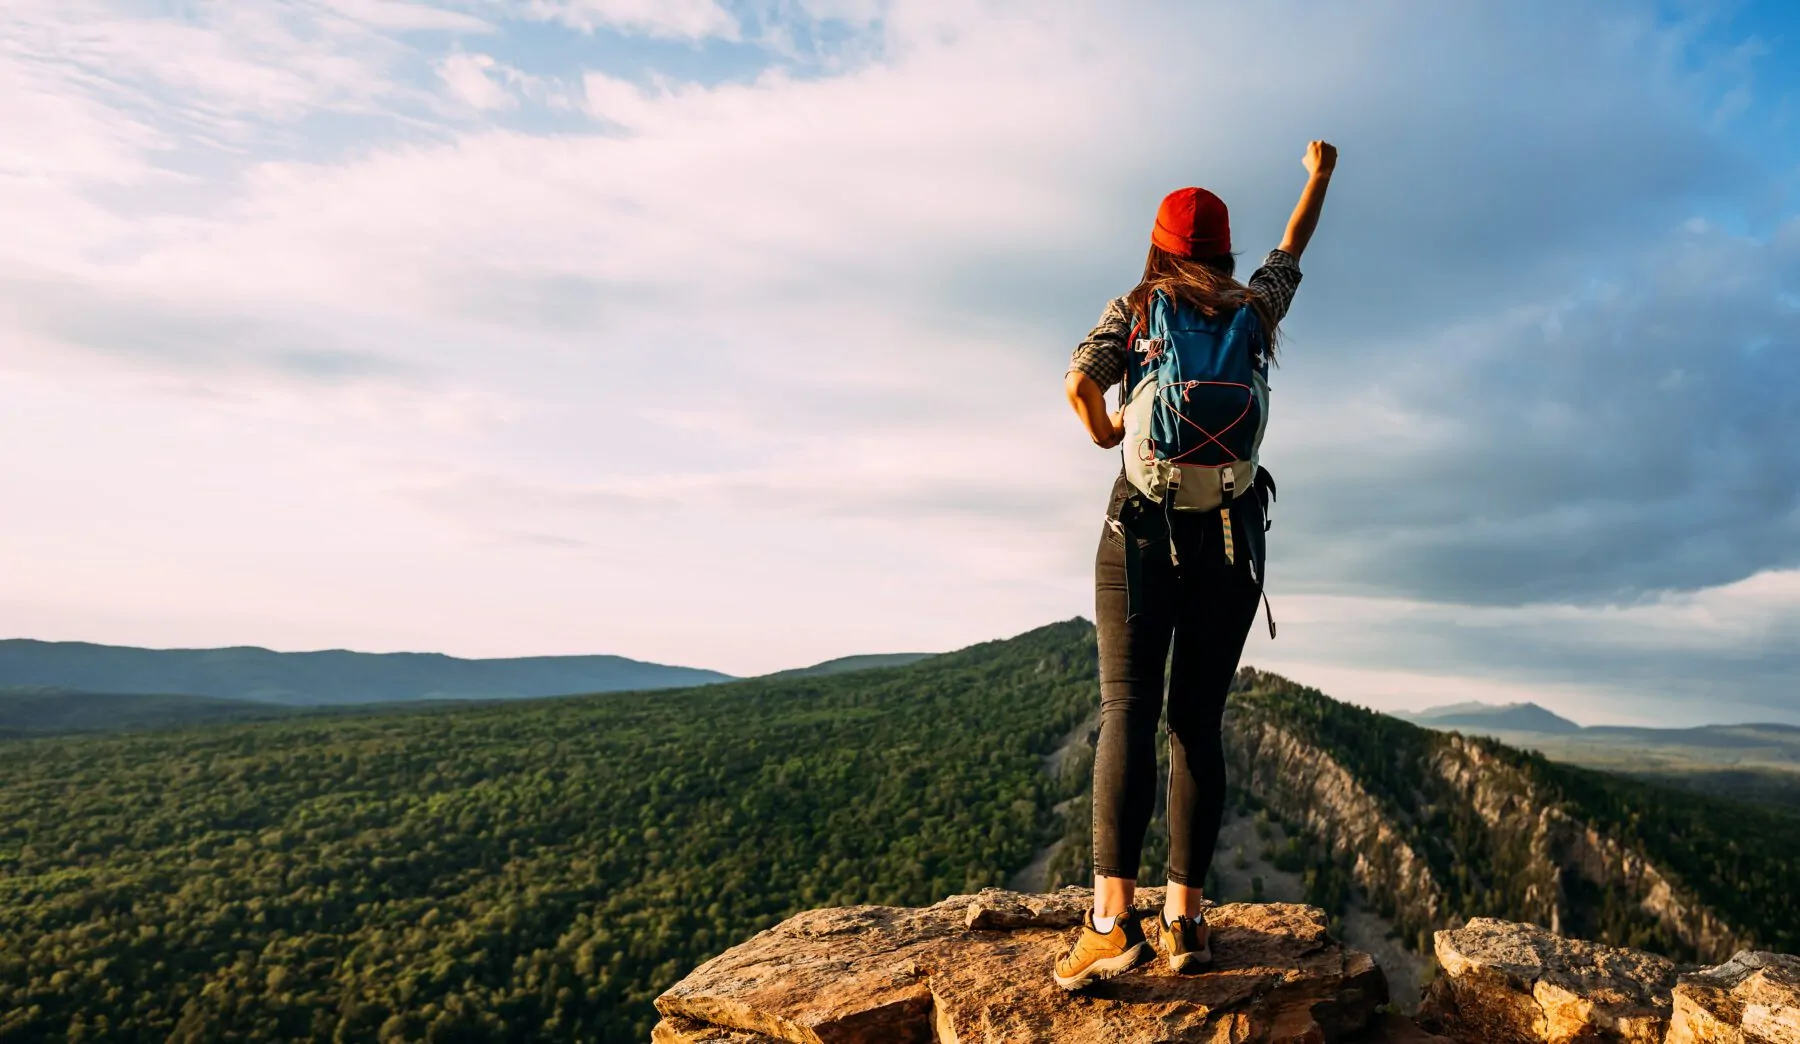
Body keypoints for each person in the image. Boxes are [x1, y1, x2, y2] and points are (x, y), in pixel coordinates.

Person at [1052, 141, 1336, 990]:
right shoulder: (1255, 307)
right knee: (1197, 722)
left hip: (1142, 529)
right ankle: (1187, 922)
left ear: (1160, 247)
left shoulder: (1136, 307)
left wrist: (1106, 433)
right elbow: (1294, 250)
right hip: (1229, 535)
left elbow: (1079, 384)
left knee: (1127, 711)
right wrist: (1317, 177)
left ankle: (1111, 922)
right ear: (1221, 251)